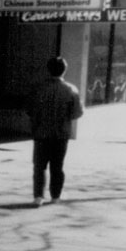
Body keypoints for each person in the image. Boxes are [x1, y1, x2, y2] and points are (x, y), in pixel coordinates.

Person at [27, 57, 85, 207]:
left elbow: (30, 110)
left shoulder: (38, 88)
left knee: (39, 166)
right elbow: (77, 113)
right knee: (57, 166)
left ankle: (38, 195)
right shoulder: (71, 89)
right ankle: (55, 195)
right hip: (61, 134)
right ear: (64, 70)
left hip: (41, 132)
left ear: (48, 69)